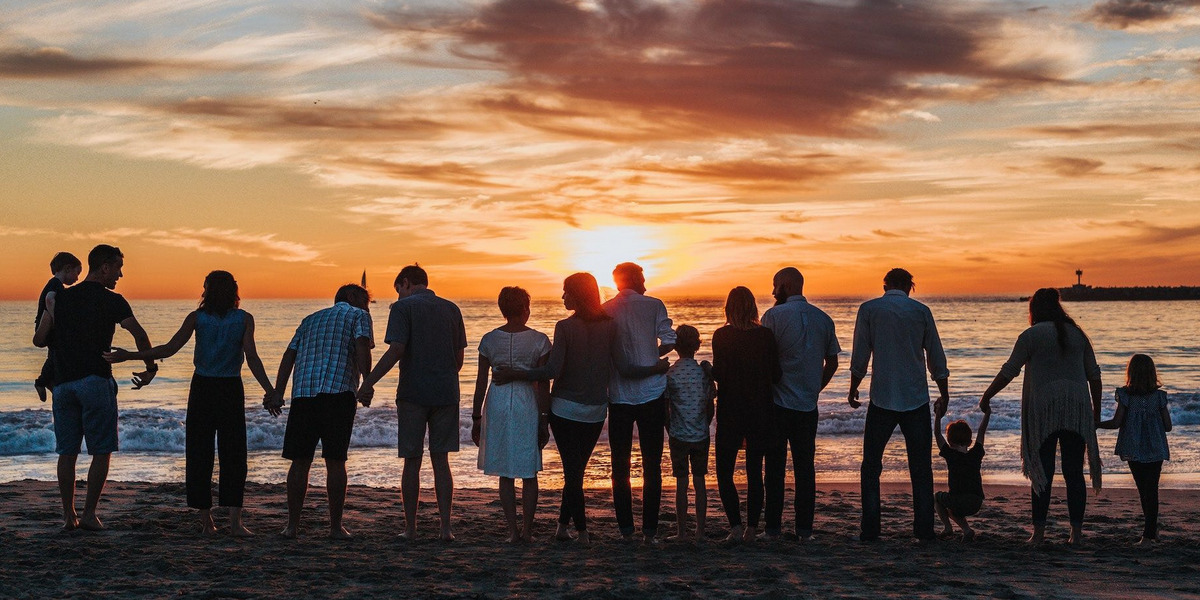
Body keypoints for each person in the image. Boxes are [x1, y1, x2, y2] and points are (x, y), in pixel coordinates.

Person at [104, 271, 274, 536]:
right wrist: (270, 390)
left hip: (205, 388)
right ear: (233, 291)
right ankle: (234, 523)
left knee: (200, 453)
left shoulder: (199, 318)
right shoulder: (242, 318)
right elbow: (252, 358)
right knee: (233, 454)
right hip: (228, 388)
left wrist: (132, 356)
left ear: (208, 290)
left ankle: (208, 522)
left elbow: (169, 349)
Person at [33, 244, 157, 532]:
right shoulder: (113, 301)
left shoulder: (60, 299)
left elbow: (40, 340)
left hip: (63, 384)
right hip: (95, 381)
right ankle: (88, 514)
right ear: (104, 267)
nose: (120, 274)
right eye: (117, 268)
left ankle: (68, 516)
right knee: (101, 451)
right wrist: (150, 368)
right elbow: (139, 334)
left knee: (67, 453)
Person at [493, 273, 618, 545]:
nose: (562, 297)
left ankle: (582, 532)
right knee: (576, 471)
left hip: (565, 410)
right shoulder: (610, 326)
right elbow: (620, 364)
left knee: (573, 473)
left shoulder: (564, 327)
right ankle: (562, 526)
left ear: (578, 294)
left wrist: (514, 373)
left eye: (566, 292)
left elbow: (551, 370)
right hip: (596, 410)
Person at [979, 288, 1102, 545]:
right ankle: (1076, 533)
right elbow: (1094, 376)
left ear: (1034, 309)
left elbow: (1008, 371)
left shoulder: (1031, 336)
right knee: (1073, 473)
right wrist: (1095, 412)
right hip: (1076, 409)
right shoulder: (1078, 335)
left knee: (1041, 471)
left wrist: (987, 395)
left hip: (1043, 411)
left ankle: (1039, 533)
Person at [358, 265, 467, 541]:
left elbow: (396, 349)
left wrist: (368, 381)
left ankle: (411, 528)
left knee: (412, 461)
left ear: (405, 283)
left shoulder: (402, 308)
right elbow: (459, 361)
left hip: (413, 393)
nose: (399, 295)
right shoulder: (452, 309)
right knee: (441, 461)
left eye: (399, 290)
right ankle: (445, 529)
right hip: (446, 392)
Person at [847, 268, 949, 542]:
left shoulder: (869, 310)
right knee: (921, 467)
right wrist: (944, 391)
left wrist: (853, 386)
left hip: (882, 397)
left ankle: (870, 530)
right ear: (909, 287)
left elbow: (861, 354)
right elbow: (936, 356)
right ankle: (924, 530)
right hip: (915, 397)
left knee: (871, 466)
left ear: (885, 285)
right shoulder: (921, 311)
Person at [268, 284, 373, 539]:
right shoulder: (359, 315)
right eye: (365, 300)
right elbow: (361, 345)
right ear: (351, 297)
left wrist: (277, 392)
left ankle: (292, 526)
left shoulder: (310, 319)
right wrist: (367, 382)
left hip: (304, 394)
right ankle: (336, 528)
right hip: (338, 393)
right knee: (335, 461)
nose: (367, 305)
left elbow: (288, 355)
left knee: (300, 461)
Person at [760, 267, 840, 541]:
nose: (772, 292)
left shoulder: (772, 316)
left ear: (786, 285)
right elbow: (833, 362)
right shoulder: (823, 319)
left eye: (775, 285)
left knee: (774, 468)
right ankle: (804, 530)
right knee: (805, 468)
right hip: (807, 404)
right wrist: (816, 388)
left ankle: (772, 529)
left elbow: (764, 361)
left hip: (778, 403)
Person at [470, 286, 551, 543]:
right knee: (529, 471)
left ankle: (512, 532)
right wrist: (544, 419)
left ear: (502, 310)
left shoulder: (489, 340)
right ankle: (527, 531)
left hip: (498, 402)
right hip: (528, 403)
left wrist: (476, 418)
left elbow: (481, 382)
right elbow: (544, 383)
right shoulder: (539, 340)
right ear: (525, 309)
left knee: (506, 471)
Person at [603, 262, 677, 544]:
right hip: (651, 393)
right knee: (652, 463)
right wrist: (651, 354)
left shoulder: (606, 309)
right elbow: (670, 340)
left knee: (619, 463)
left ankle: (625, 529)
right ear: (636, 278)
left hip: (619, 395)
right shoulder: (655, 305)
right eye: (643, 276)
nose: (646, 281)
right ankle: (649, 531)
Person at [711, 286, 782, 543]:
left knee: (724, 471)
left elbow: (719, 373)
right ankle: (752, 528)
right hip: (761, 410)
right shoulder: (765, 336)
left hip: (731, 410)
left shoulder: (721, 336)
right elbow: (776, 375)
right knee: (755, 472)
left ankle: (736, 527)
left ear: (729, 308)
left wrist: (709, 370)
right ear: (753, 307)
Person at [1099, 354, 1171, 545]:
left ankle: (1148, 535)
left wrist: (1096, 424)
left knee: (1143, 490)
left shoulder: (1125, 396)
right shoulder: (1159, 397)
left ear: (1130, 373)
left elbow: (1116, 423)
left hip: (1133, 447)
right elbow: (1168, 426)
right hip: (1155, 447)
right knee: (1151, 489)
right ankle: (1151, 531)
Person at [664, 325, 716, 543]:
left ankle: (682, 532)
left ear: (675, 346)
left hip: (678, 434)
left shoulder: (670, 374)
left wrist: (670, 429)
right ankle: (700, 532)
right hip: (700, 434)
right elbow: (710, 404)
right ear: (697, 346)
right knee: (700, 482)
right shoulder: (703, 373)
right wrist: (705, 424)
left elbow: (666, 409)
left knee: (682, 484)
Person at [933, 403, 989, 542]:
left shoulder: (950, 454)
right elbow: (982, 431)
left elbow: (937, 433)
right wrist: (987, 413)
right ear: (970, 442)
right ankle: (967, 531)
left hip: (958, 500)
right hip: (976, 502)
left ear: (950, 441)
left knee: (937, 498)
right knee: (952, 508)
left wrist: (938, 414)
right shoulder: (976, 453)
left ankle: (948, 527)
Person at [34, 252, 83, 402]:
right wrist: (58, 319)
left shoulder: (54, 284)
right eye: (77, 273)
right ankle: (42, 381)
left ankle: (46, 381)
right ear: (68, 269)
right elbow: (49, 299)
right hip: (47, 327)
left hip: (48, 326)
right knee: (56, 353)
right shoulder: (55, 284)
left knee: (54, 354)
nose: (77, 278)